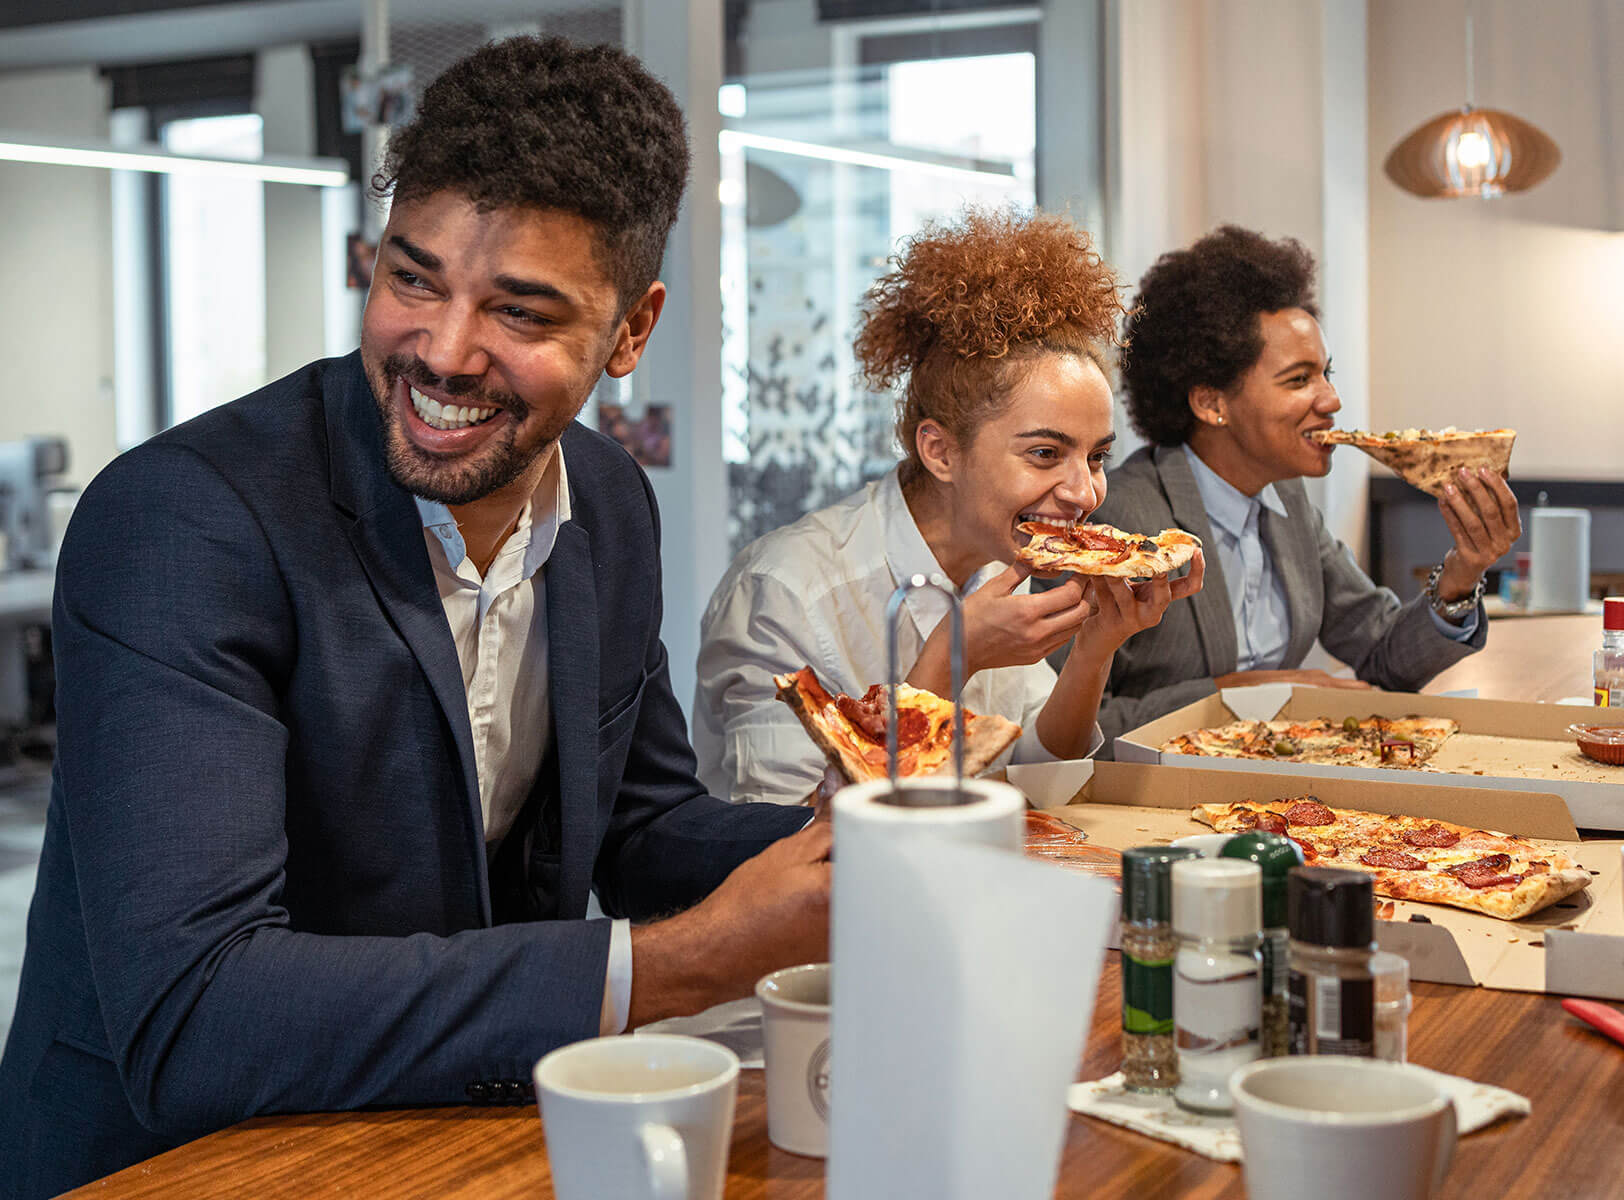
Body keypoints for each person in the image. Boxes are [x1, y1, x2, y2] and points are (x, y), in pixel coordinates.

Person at [0, 38, 830, 1199]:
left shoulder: (610, 504)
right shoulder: (185, 522)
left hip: (443, 1139)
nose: (442, 352)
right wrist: (687, 962)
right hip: (175, 1164)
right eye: (412, 279)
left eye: (520, 312)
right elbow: (200, 1012)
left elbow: (639, 833)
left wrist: (850, 847)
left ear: (631, 333)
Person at [693, 209, 1204, 805]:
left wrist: (1094, 651)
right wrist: (951, 659)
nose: (1085, 493)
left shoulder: (996, 561)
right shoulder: (783, 593)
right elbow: (791, 841)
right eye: (1044, 453)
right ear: (939, 451)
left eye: (1097, 458)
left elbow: (1033, 778)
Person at [1083, 225, 1519, 735]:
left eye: (1327, 374)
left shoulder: (1288, 503)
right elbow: (1073, 725)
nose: (1331, 400)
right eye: (1299, 379)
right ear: (1211, 402)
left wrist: (1463, 571)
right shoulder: (1116, 521)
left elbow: (1382, 655)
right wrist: (1250, 693)